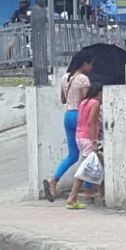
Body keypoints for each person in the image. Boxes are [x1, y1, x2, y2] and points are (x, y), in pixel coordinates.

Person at [43, 52, 93, 202]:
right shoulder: (83, 79)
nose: (91, 67)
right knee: (88, 153)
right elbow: (85, 102)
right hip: (80, 116)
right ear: (84, 64)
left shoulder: (65, 78)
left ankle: (53, 180)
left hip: (68, 116)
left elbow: (63, 100)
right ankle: (89, 188)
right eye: (90, 64)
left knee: (72, 155)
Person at [66, 82, 104, 210]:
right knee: (85, 169)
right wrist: (94, 142)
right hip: (88, 138)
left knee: (98, 165)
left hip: (80, 137)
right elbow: (91, 123)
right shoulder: (95, 104)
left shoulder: (83, 102)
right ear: (99, 93)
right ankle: (72, 198)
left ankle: (102, 194)